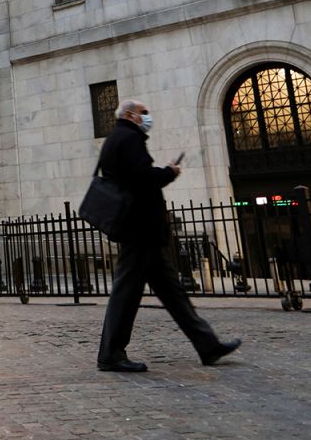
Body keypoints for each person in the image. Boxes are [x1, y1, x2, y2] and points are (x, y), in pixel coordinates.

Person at [96, 99, 242, 373]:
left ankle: (207, 344)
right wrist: (168, 173)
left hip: (141, 229)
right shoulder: (128, 138)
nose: (147, 117)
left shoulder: (119, 138)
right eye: (144, 113)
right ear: (130, 115)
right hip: (139, 228)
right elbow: (139, 178)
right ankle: (111, 353)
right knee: (126, 293)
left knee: (173, 293)